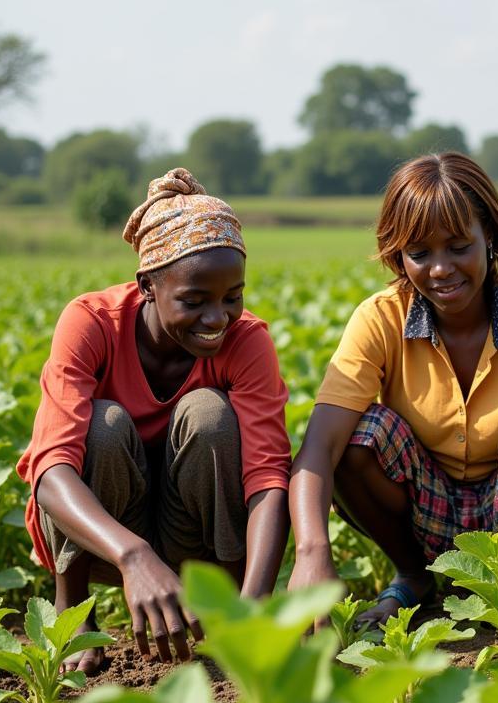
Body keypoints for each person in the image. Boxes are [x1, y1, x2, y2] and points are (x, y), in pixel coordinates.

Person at [288, 152, 498, 623]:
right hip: (427, 509)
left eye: (459, 246)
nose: (441, 269)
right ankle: (414, 576)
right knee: (358, 434)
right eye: (420, 254)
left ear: (489, 236)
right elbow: (320, 445)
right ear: (398, 256)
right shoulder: (380, 319)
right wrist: (310, 552)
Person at [17, 168, 292, 673]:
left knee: (209, 415)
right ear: (147, 285)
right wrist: (132, 556)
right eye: (194, 300)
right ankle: (73, 611)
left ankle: (226, 608)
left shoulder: (246, 340)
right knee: (103, 424)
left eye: (233, 296)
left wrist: (256, 601)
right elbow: (51, 474)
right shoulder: (92, 323)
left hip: (191, 532)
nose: (218, 319)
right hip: (107, 531)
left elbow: (268, 480)